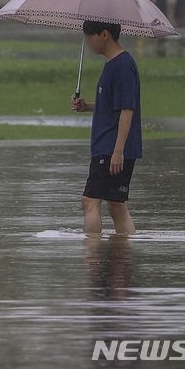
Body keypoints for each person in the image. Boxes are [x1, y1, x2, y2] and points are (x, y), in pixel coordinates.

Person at [70, 20, 142, 236]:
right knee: (116, 205)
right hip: (109, 146)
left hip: (112, 148)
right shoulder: (112, 64)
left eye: (89, 37)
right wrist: (87, 106)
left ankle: (92, 260)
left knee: (89, 201)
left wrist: (118, 151)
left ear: (104, 35)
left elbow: (127, 110)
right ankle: (121, 262)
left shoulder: (122, 65)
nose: (88, 43)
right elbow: (113, 106)